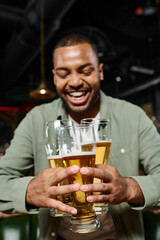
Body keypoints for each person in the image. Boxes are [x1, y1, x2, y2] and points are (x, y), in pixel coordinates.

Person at [0, 33, 160, 240]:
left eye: (85, 71)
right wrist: (29, 191)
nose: (75, 82)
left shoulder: (133, 116)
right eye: (64, 74)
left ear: (100, 72)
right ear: (55, 77)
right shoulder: (36, 120)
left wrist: (128, 188)